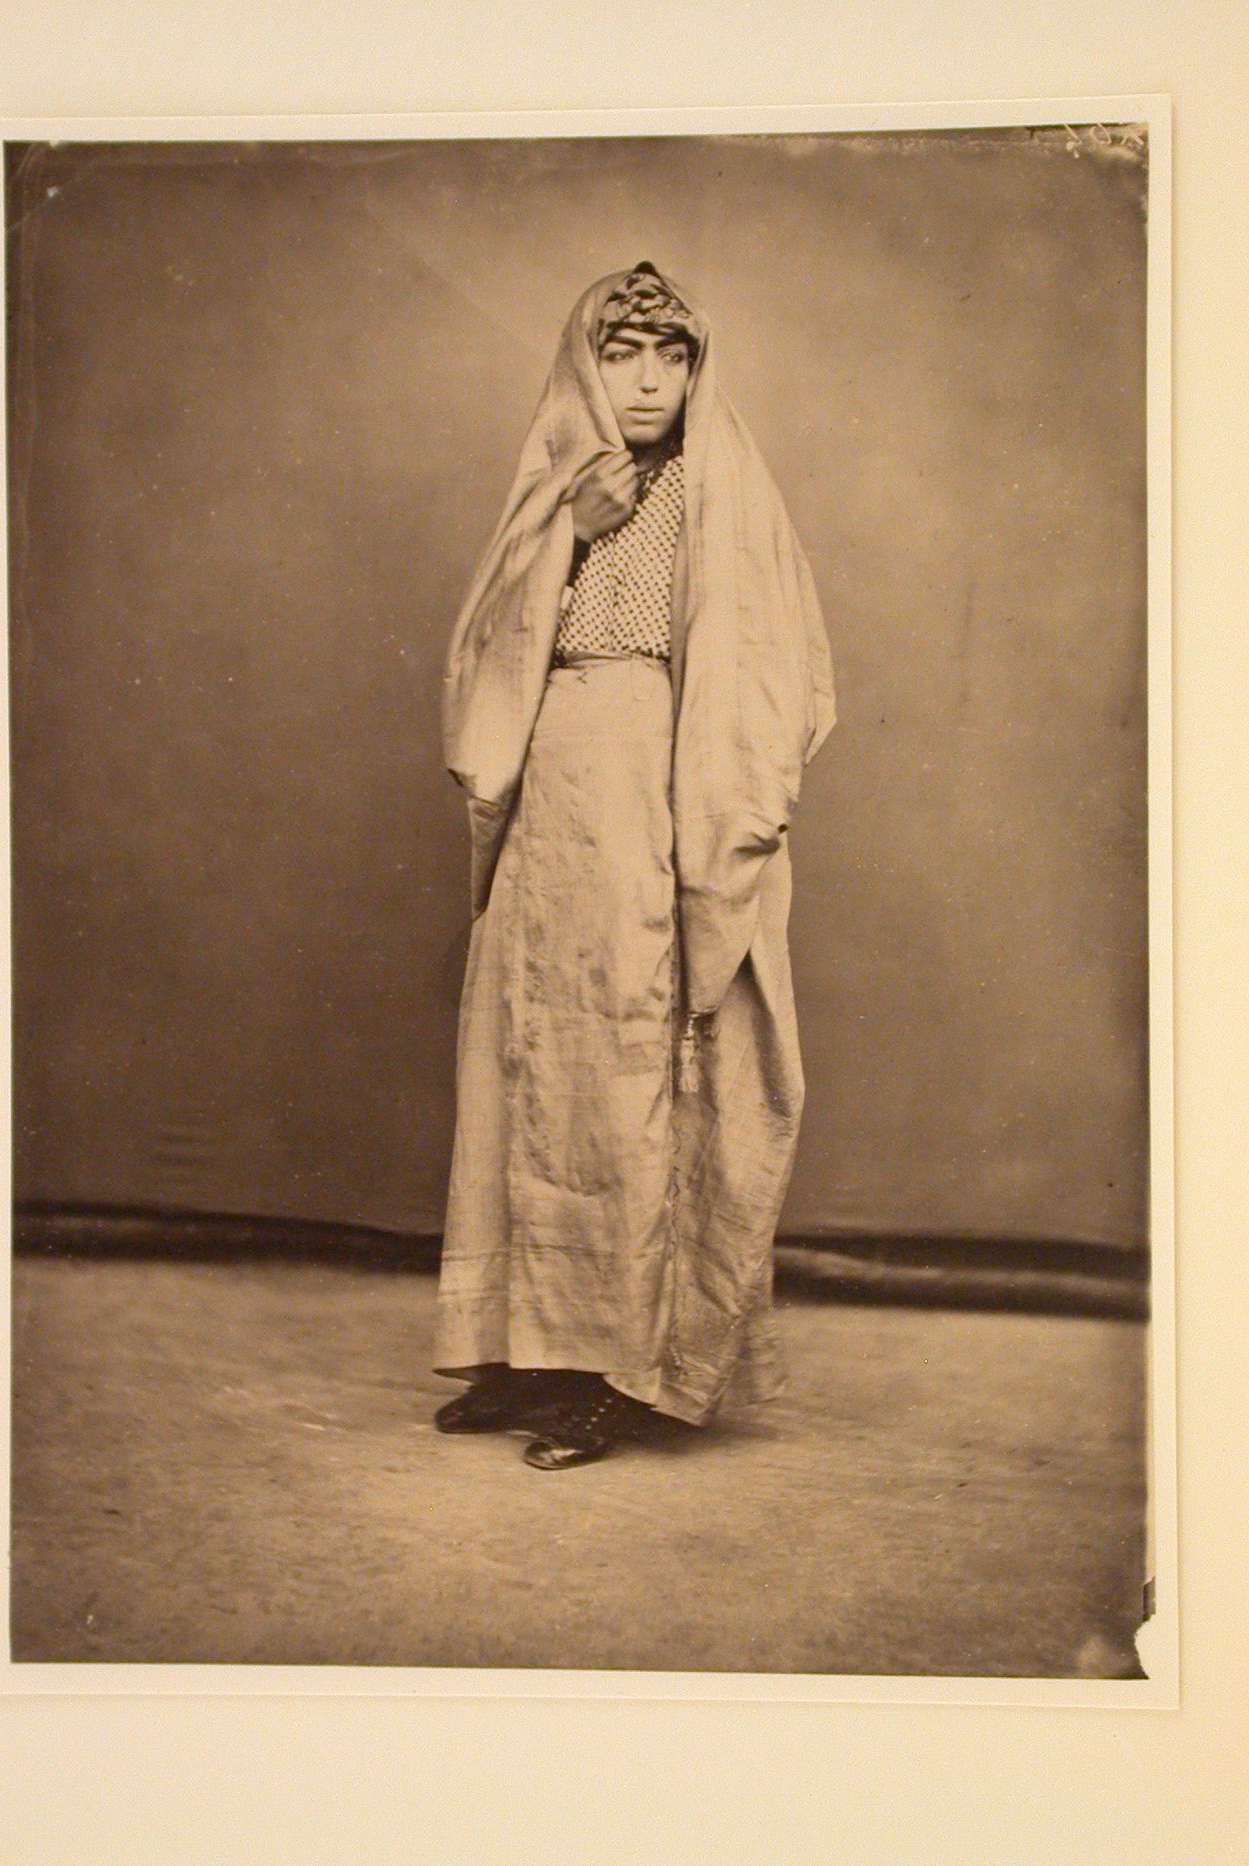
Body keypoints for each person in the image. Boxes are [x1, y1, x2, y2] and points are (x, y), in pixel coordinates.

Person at [433, 261, 835, 1470]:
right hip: (552, 787)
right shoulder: (558, 481)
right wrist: (566, 529)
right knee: (525, 1049)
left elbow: (766, 668)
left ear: (697, 367)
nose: (648, 378)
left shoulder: (725, 488)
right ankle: (525, 1349)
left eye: (670, 354)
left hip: (658, 788)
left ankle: (618, 1369)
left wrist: (705, 835)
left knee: (630, 1061)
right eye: (621, 354)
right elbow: (488, 645)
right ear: (584, 365)